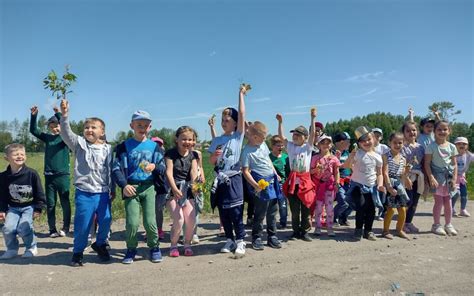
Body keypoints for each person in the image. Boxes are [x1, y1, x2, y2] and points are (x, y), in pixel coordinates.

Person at [59, 99, 113, 266]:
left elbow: (112, 170)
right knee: (83, 224)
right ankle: (78, 252)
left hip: (103, 192)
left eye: (93, 127)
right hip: (85, 192)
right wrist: (65, 115)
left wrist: (114, 189)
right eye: (86, 127)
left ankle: (100, 244)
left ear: (102, 132)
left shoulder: (109, 149)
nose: (89, 130)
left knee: (106, 220)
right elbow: (66, 133)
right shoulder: (79, 144)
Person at [112, 110, 165, 264]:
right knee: (132, 222)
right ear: (131, 126)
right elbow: (116, 168)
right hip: (131, 188)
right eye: (139, 124)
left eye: (146, 125)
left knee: (150, 221)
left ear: (150, 127)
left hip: (149, 188)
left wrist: (154, 166)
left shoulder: (155, 147)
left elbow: (162, 167)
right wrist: (124, 185)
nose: (142, 127)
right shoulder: (123, 146)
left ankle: (154, 247)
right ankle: (131, 249)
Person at [208, 85, 247, 257]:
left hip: (234, 177)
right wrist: (215, 157)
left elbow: (242, 113)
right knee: (223, 211)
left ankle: (240, 240)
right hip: (220, 178)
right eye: (223, 120)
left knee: (236, 211)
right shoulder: (217, 140)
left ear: (235, 123)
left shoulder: (237, 136)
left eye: (228, 120)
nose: (224, 123)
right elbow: (211, 161)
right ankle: (229, 239)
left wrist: (240, 94)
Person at [29, 105, 71, 237]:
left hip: (63, 176)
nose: (54, 128)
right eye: (51, 126)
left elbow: (65, 126)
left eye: (56, 125)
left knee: (65, 202)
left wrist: (59, 114)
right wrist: (34, 116)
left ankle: (65, 227)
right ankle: (52, 229)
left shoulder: (65, 138)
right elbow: (33, 130)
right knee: (51, 204)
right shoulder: (47, 138)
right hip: (49, 176)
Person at [276, 108, 317, 242]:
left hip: (305, 181)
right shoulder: (291, 147)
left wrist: (312, 118)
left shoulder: (307, 147)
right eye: (294, 134)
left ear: (305, 138)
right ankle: (295, 231)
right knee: (294, 210)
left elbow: (313, 134)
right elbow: (282, 137)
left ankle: (304, 232)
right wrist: (280, 123)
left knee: (305, 208)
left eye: (298, 135)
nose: (295, 136)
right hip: (293, 182)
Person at [0, 143, 46, 259]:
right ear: (7, 158)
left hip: (29, 207)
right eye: (15, 154)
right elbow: (2, 195)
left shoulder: (32, 174)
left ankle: (31, 247)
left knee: (24, 227)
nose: (19, 156)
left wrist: (38, 208)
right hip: (13, 208)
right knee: (8, 228)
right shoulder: (3, 176)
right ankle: (12, 249)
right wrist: (2, 210)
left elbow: (39, 192)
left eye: (22, 154)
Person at [241, 121, 282, 250]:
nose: (265, 139)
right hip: (260, 183)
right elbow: (245, 171)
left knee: (273, 211)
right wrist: (255, 185)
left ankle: (272, 236)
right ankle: (256, 237)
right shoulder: (247, 152)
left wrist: (275, 173)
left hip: (272, 180)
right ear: (254, 137)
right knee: (260, 212)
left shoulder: (262, 144)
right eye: (263, 137)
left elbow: (268, 160)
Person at [344, 127, 384, 241]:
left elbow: (379, 173)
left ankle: (368, 231)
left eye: (368, 139)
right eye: (363, 141)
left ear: (374, 139)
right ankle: (358, 230)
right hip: (357, 185)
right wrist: (351, 156)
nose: (366, 142)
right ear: (359, 143)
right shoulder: (357, 153)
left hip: (371, 187)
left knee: (371, 209)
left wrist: (380, 185)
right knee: (361, 206)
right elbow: (347, 166)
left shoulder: (377, 156)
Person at [165, 126, 198, 257]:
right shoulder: (170, 154)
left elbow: (194, 172)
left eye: (190, 139)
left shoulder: (193, 155)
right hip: (172, 190)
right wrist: (174, 188)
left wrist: (195, 187)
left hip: (187, 190)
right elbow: (169, 172)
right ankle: (173, 245)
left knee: (191, 219)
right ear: (176, 139)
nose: (187, 142)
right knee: (179, 219)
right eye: (184, 139)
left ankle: (187, 244)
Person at [424, 120, 458, 236]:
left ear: (449, 131)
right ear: (434, 131)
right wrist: (431, 177)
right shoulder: (431, 146)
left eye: (445, 129)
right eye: (439, 129)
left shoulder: (452, 147)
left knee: (448, 201)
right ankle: (436, 225)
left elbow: (454, 164)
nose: (442, 131)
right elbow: (427, 163)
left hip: (448, 177)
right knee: (438, 202)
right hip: (436, 177)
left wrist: (454, 179)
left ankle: (448, 224)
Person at [382, 132, 410, 240]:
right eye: (395, 142)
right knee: (391, 209)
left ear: (403, 143)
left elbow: (402, 174)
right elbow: (385, 172)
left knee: (402, 209)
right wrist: (389, 187)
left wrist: (407, 173)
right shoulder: (386, 156)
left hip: (399, 186)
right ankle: (385, 231)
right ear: (390, 143)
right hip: (389, 183)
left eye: (400, 143)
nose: (397, 145)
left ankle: (399, 230)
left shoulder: (403, 158)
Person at [310, 135, 340, 237]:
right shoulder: (315, 158)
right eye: (323, 143)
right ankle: (318, 227)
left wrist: (337, 182)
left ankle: (330, 227)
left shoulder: (334, 158)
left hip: (330, 185)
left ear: (331, 145)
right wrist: (317, 169)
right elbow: (310, 171)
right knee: (318, 207)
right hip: (318, 185)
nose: (325, 145)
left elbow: (336, 172)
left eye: (328, 143)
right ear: (318, 145)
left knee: (330, 208)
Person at [400, 120, 425, 233]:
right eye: (408, 130)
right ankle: (401, 223)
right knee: (407, 201)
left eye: (414, 130)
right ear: (404, 133)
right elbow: (400, 164)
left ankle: (409, 222)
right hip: (406, 177)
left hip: (418, 177)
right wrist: (406, 178)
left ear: (417, 132)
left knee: (415, 202)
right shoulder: (402, 147)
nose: (411, 132)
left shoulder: (420, 147)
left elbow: (423, 163)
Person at [269, 135, 290, 229]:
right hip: (271, 183)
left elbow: (288, 172)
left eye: (282, 145)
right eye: (278, 145)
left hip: (283, 184)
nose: (280, 147)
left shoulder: (286, 157)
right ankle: (271, 223)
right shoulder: (268, 157)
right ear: (272, 146)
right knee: (272, 205)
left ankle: (283, 222)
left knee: (283, 204)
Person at [332, 132, 352, 226]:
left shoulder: (347, 152)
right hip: (338, 180)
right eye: (348, 141)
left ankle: (343, 218)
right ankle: (333, 217)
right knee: (343, 202)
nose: (349, 144)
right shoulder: (331, 152)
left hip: (349, 180)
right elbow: (332, 167)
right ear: (340, 142)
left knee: (352, 202)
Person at [452, 137, 473, 217]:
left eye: (464, 144)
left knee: (464, 194)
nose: (461, 145)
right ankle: (451, 208)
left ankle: (463, 209)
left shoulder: (468, 155)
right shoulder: (452, 154)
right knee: (455, 194)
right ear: (455, 145)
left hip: (462, 178)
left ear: (467, 146)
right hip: (453, 177)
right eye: (459, 143)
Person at [372, 127, 389, 221]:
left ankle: (382, 211)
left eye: (378, 135)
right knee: (373, 193)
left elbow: (387, 160)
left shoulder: (384, 147)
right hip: (371, 173)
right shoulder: (368, 146)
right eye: (374, 135)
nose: (376, 137)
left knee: (382, 192)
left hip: (381, 172)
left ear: (381, 137)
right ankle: (373, 209)